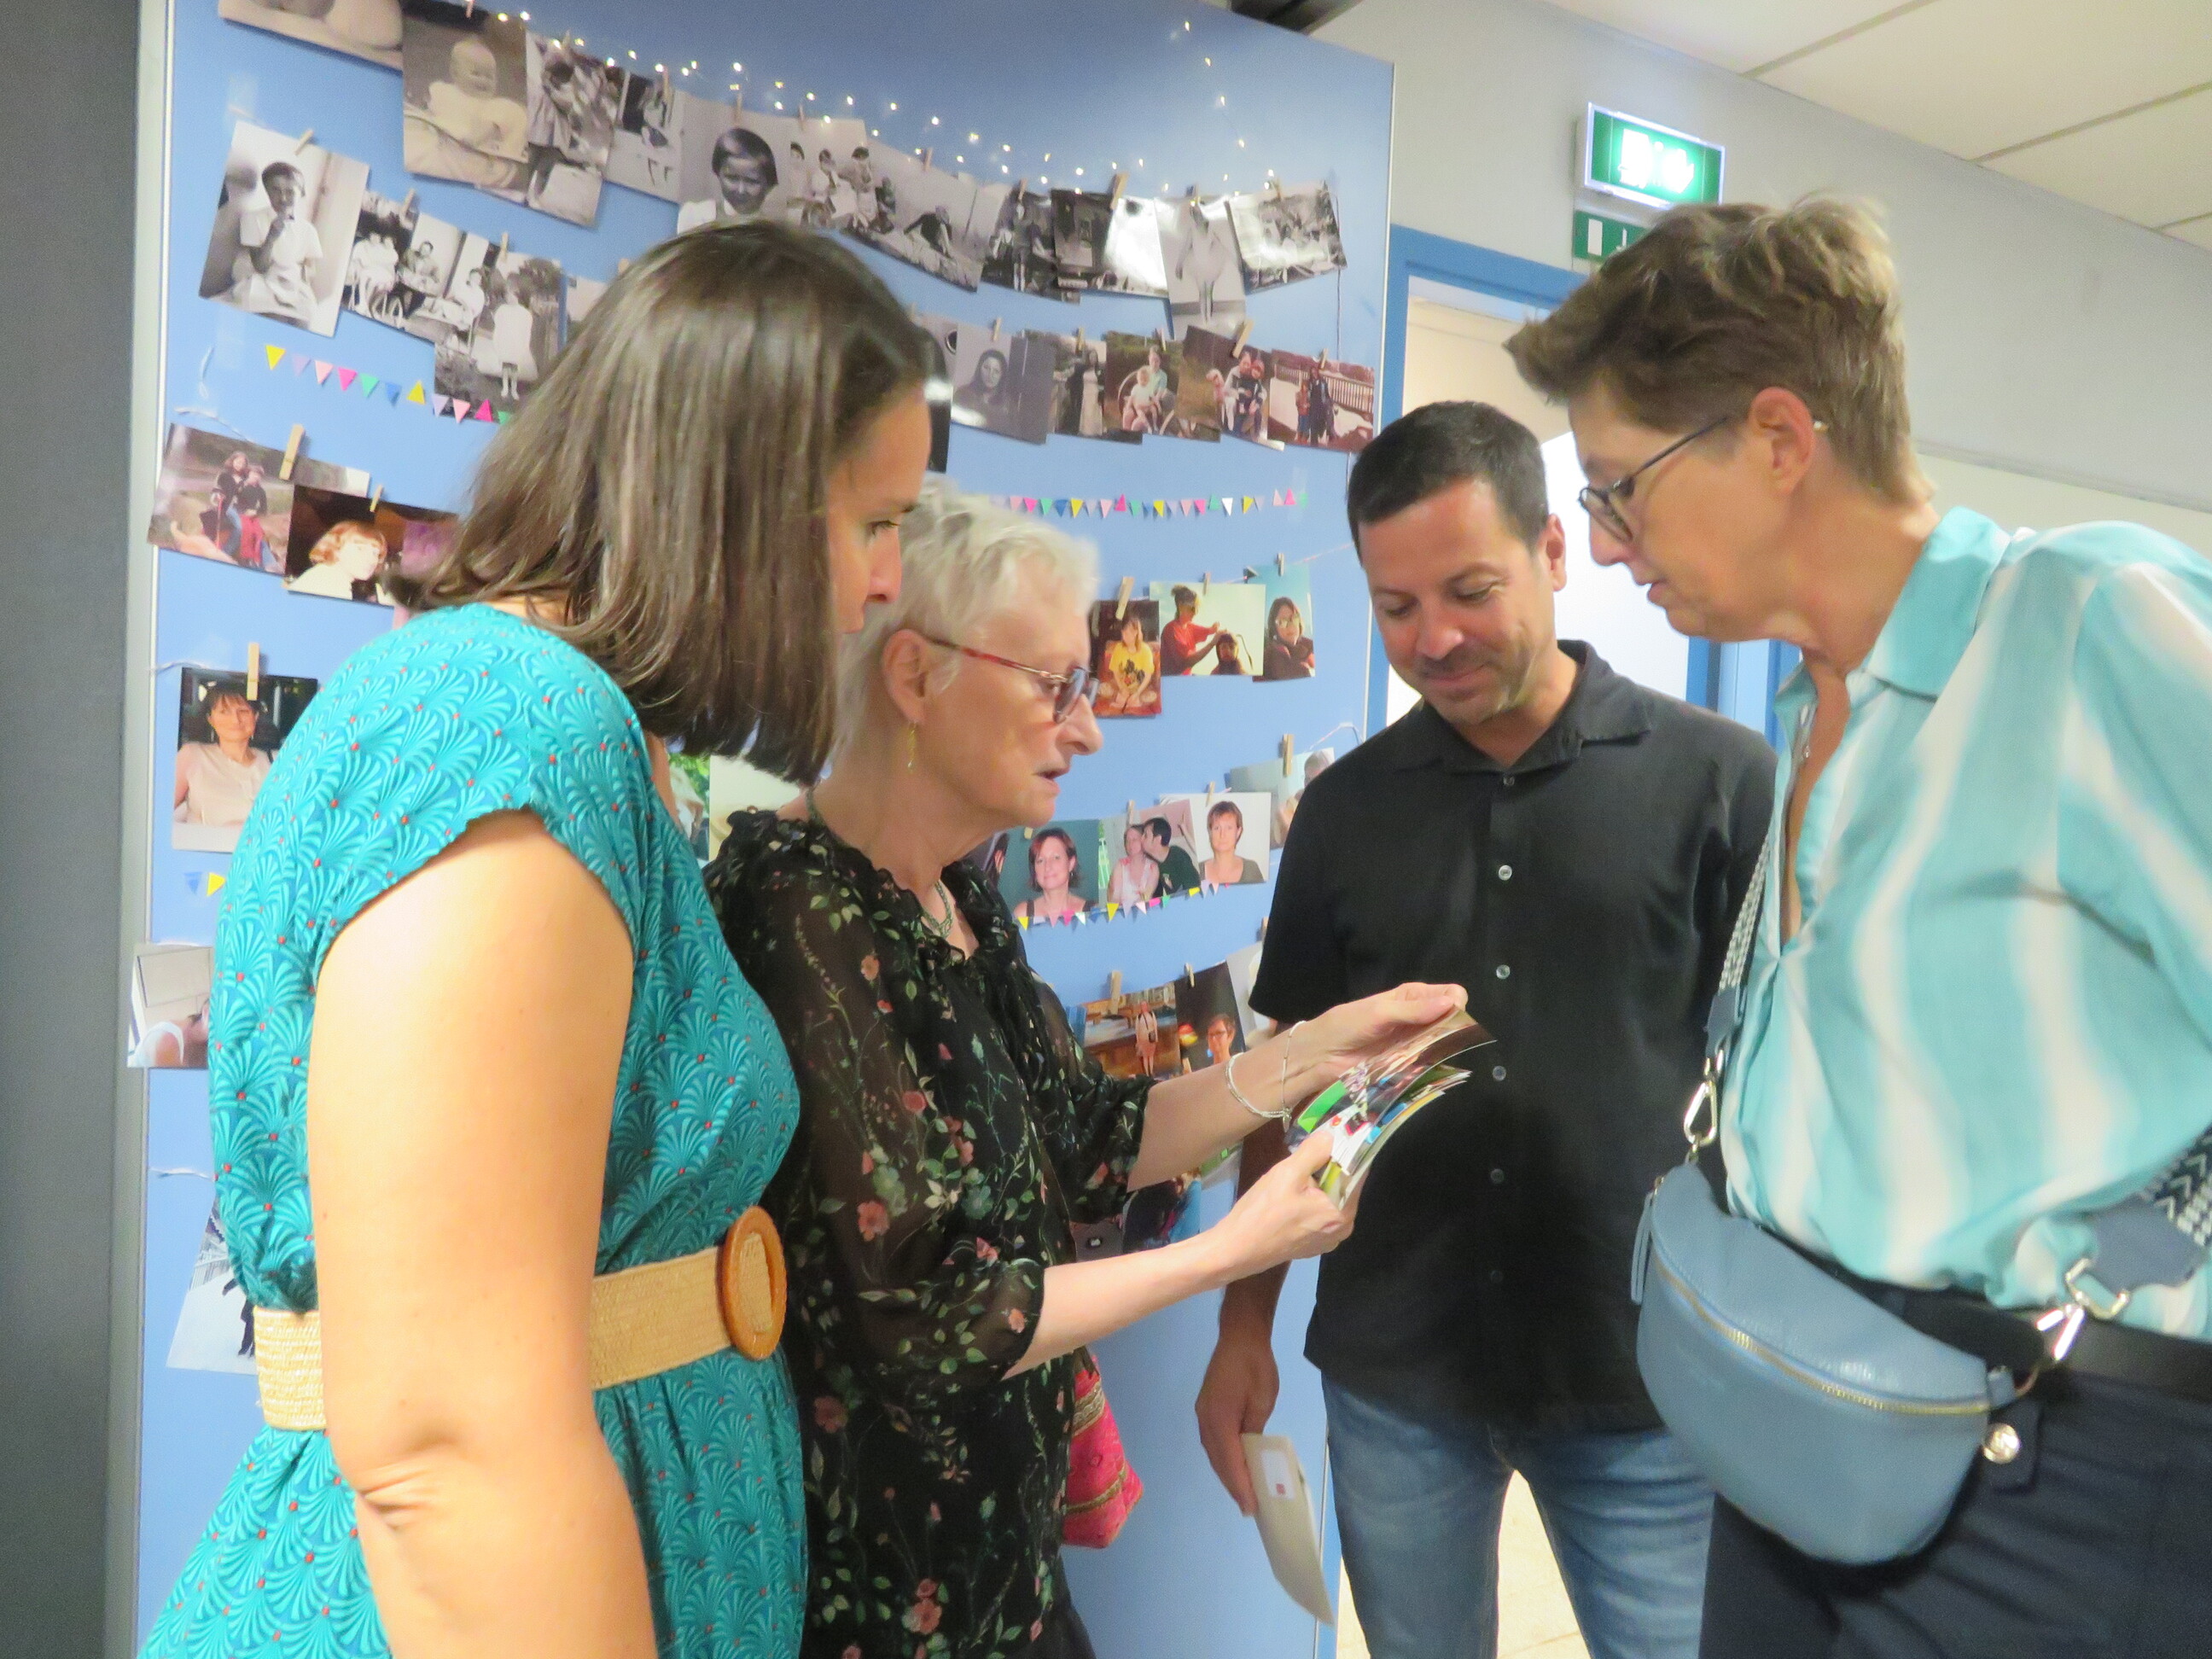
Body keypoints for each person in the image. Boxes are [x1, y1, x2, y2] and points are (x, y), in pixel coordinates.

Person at [139, 223, 936, 1659]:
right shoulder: (510, 728)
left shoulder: (576, 733)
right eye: (875, 523)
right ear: (740, 502)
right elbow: (448, 1443)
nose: (886, 584)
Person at [1509, 198, 2212, 1656]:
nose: (1608, 545)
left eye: (1623, 491)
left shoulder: (2091, 622)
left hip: (2054, 1462)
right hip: (1803, 1423)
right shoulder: (1809, 705)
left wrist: (2143, 1253)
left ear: (1778, 437)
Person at [705, 482, 1466, 1659]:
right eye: (1056, 687)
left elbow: (1088, 1136)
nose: (1089, 730)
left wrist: (1310, 1051)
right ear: (914, 677)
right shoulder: (799, 913)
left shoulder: (953, 894)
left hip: (1002, 1563)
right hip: (881, 1594)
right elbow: (930, 1312)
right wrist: (1227, 1252)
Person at [1196, 399, 1773, 1659]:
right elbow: (1286, 1088)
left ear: (1554, 551)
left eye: (1469, 591)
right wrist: (1243, 1324)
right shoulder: (1344, 811)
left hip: (1649, 1378)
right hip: (1398, 1371)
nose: (1435, 638)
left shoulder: (1721, 782)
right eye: (1396, 607)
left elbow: (1790, 1082)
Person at [410, 34, 528, 187]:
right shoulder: (443, 91)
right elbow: (429, 111)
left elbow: (507, 120)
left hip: (482, 152)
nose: (483, 80)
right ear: (455, 74)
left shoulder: (493, 105)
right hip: (446, 142)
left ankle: (476, 139)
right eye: (476, 74)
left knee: (509, 109)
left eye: (490, 77)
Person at [224, 160, 322, 327]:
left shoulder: (308, 230)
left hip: (290, 282)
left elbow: (310, 268)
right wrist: (271, 236)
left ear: (302, 193)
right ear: (267, 191)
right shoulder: (252, 218)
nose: (283, 198)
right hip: (259, 278)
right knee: (273, 316)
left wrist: (298, 280)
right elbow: (260, 266)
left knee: (303, 319)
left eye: (290, 192)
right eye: (275, 190)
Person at [174, 686, 272, 832]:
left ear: (256, 716)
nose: (235, 720)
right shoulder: (192, 755)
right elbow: (157, 811)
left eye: (243, 711)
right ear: (210, 719)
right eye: (224, 712)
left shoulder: (274, 762)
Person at [677, 125, 777, 232]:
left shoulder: (772, 233)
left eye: (751, 181)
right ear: (718, 174)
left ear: (769, 185)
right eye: (732, 178)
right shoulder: (697, 218)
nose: (741, 190)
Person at [287, 516, 387, 603]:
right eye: (360, 549)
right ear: (336, 549)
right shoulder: (327, 582)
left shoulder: (332, 577)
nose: (371, 560)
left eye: (375, 553)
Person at [1015, 824, 1091, 923]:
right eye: (1040, 860)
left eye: (1056, 858)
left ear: (1071, 863)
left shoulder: (1092, 913)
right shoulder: (1022, 914)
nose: (1047, 867)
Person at [1095, 609, 1157, 715]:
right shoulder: (1119, 648)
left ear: (1136, 632)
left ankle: (1130, 702)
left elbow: (1147, 677)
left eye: (1129, 633)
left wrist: (1137, 694)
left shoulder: (1146, 650)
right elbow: (1115, 671)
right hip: (1121, 687)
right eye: (1124, 632)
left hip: (1140, 689)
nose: (1125, 636)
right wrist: (1122, 689)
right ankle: (1122, 701)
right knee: (1101, 688)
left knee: (1151, 697)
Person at [1158, 585, 1225, 675]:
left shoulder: (1190, 627)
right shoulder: (1171, 630)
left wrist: (1215, 628)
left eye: (1197, 608)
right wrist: (1212, 643)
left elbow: (1210, 630)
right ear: (1180, 606)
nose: (1195, 612)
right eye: (1192, 608)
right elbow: (1188, 661)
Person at [1201, 799, 1266, 887]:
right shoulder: (1196, 871)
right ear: (1210, 832)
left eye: (1229, 828)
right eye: (1217, 828)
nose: (1222, 835)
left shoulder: (1251, 869)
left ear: (1238, 832)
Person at [1141, 814, 1201, 897]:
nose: (1141, 839)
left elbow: (1194, 887)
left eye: (1146, 835)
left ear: (1157, 839)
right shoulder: (1152, 863)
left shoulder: (1177, 855)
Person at [1107, 819, 1161, 907]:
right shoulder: (1120, 865)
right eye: (1127, 841)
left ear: (1143, 840)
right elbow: (1115, 897)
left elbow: (1146, 897)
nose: (1130, 844)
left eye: (1134, 840)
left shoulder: (1153, 867)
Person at [1262, 594, 1315, 680]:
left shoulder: (1311, 648)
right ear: (1274, 628)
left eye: (1294, 618)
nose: (1290, 626)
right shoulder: (1268, 660)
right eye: (1282, 622)